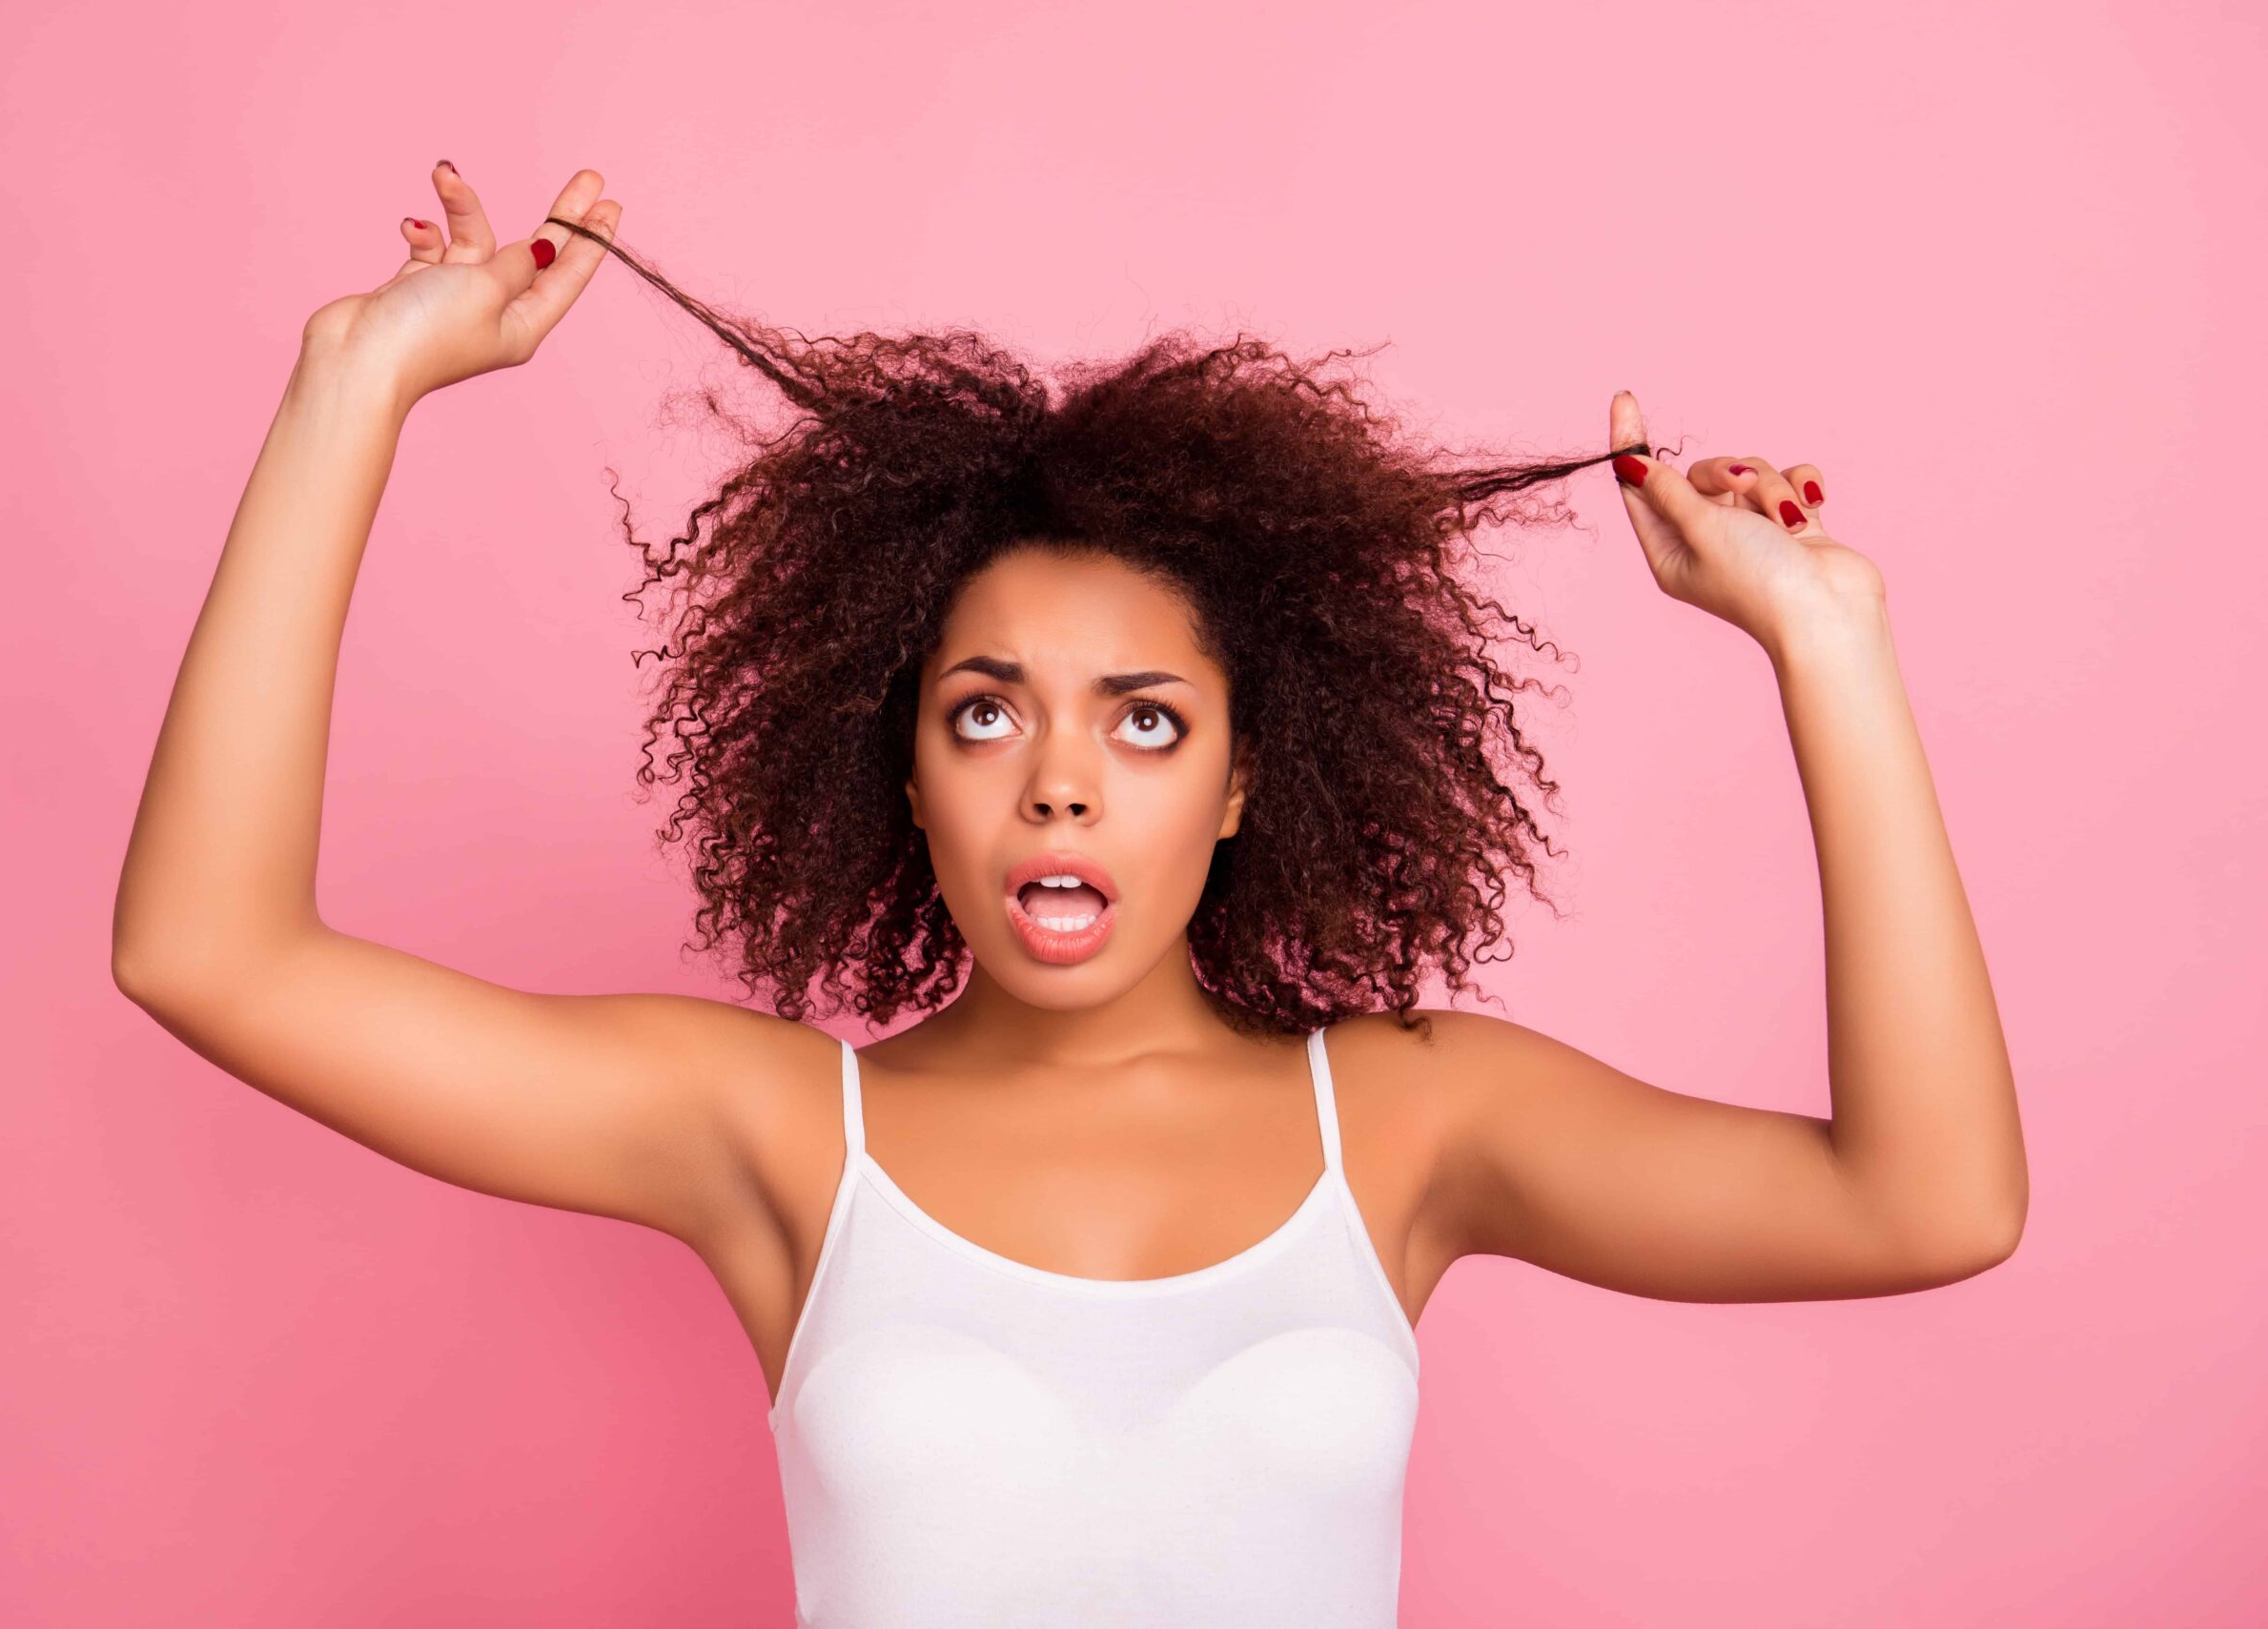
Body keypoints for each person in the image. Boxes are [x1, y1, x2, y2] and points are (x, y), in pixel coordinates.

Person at [111, 163, 2029, 1627]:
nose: (1055, 777)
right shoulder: (777, 1134)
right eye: (982, 711)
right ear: (907, 775)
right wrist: (350, 389)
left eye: (1138, 719)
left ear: (1240, 777)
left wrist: (1822, 642)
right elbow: (206, 951)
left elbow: (1924, 1200)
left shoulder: (1415, 1117)